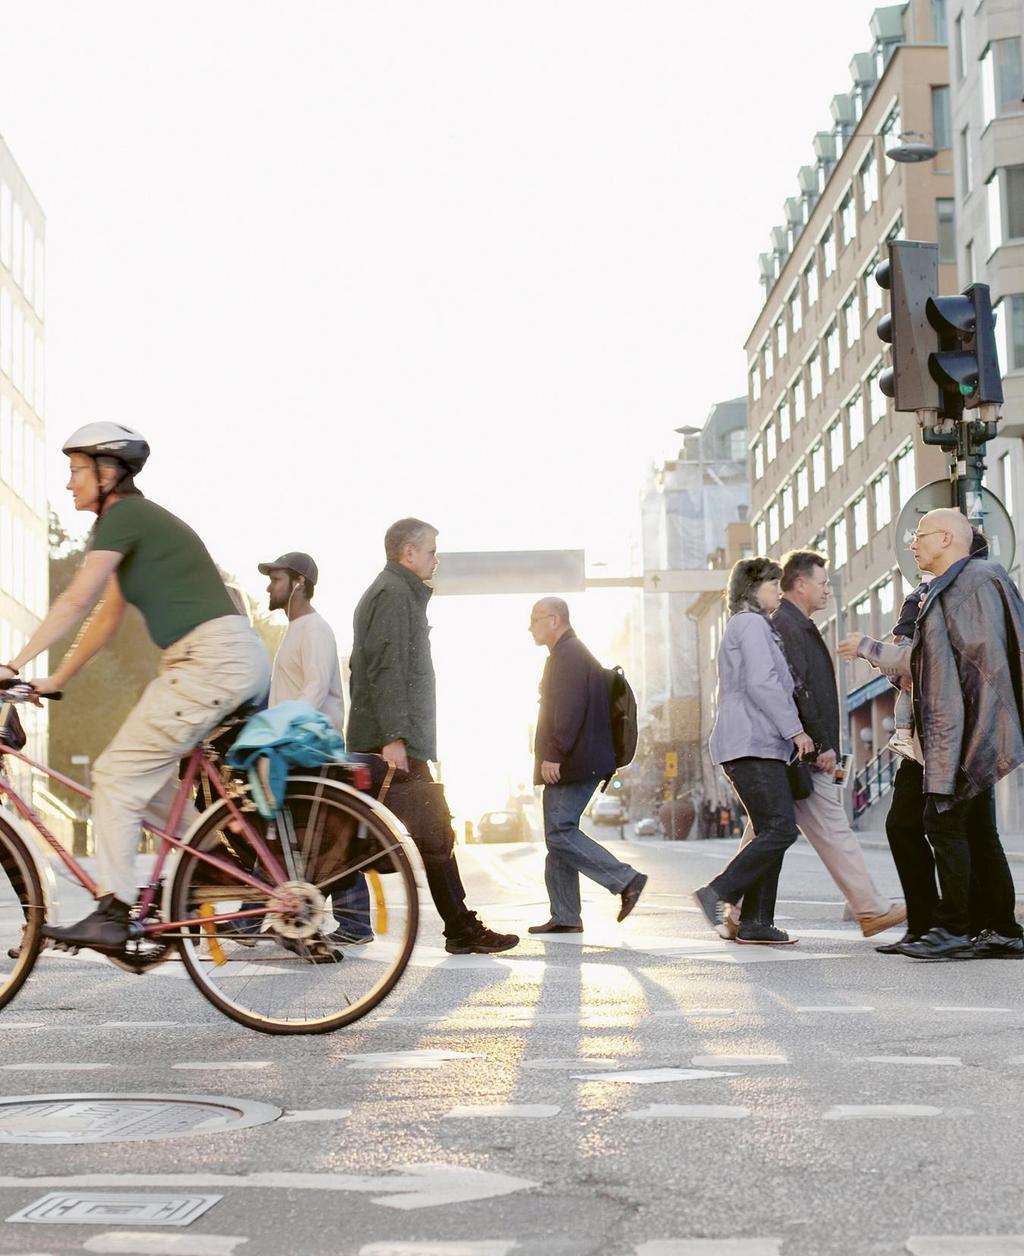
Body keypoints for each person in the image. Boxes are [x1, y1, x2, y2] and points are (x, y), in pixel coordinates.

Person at [1, 423, 270, 953]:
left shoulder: (125, 517)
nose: (68, 483)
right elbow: (102, 620)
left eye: (77, 471)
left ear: (108, 474)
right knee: (141, 781)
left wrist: (12, 663)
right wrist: (53, 679)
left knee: (115, 776)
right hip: (210, 659)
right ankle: (214, 866)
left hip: (209, 660)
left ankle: (115, 912)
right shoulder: (132, 525)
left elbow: (75, 601)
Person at [838, 508, 1024, 960]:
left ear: (946, 539)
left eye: (919, 535)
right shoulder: (936, 591)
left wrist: (870, 648)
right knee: (951, 826)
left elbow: (965, 663)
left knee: (946, 821)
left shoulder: (977, 580)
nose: (913, 544)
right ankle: (981, 927)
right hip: (935, 730)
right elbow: (920, 662)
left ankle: (958, 929)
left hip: (961, 729)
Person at [347, 518, 518, 955]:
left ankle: (460, 928)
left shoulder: (398, 593)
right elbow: (386, 669)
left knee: (417, 834)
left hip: (397, 738)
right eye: (430, 551)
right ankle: (460, 929)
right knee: (423, 834)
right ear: (408, 553)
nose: (435, 559)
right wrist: (393, 737)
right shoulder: (392, 596)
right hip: (393, 743)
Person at [731, 550, 905, 938]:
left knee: (764, 830)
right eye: (822, 583)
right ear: (800, 584)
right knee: (832, 830)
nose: (828, 590)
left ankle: (733, 907)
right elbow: (797, 689)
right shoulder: (788, 627)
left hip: (796, 752)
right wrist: (822, 744)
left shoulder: (796, 625)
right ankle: (870, 908)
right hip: (805, 753)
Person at [693, 557, 816, 945]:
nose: (778, 591)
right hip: (751, 743)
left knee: (771, 830)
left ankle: (757, 922)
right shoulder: (749, 624)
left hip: (756, 743)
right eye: (772, 585)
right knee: (780, 829)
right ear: (751, 588)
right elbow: (763, 683)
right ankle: (718, 892)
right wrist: (796, 730)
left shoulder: (753, 625)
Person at [258, 551, 372, 945]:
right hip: (295, 744)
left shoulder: (314, 629)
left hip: (310, 747)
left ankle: (246, 918)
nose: (269, 587)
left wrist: (279, 730)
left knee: (303, 835)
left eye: (275, 579)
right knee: (309, 837)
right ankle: (354, 924)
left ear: (299, 583)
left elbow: (315, 687)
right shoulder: (297, 629)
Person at [527, 598, 647, 934]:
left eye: (535, 620)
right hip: (578, 760)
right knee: (557, 834)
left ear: (553, 619)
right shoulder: (567, 653)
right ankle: (565, 914)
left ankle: (625, 880)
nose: (530, 628)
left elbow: (568, 708)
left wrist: (554, 753)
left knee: (560, 830)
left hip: (573, 762)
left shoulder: (568, 655)